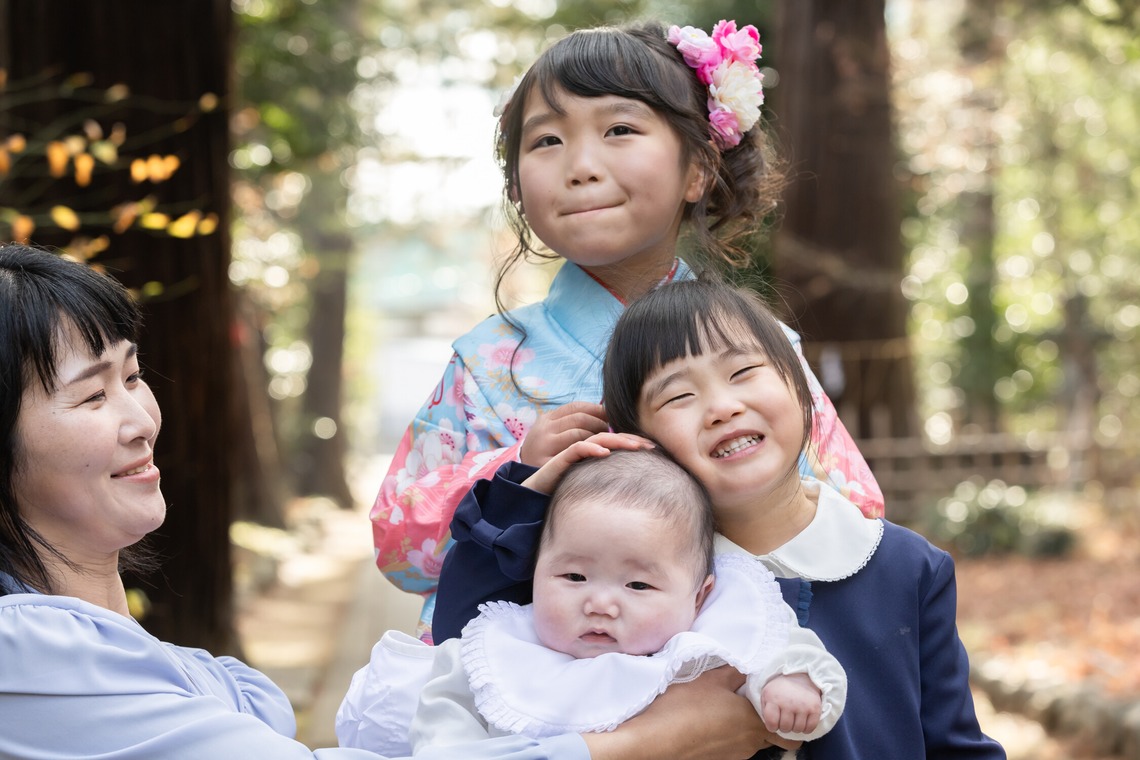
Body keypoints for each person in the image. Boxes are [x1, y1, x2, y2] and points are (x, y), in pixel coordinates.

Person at [1, 243, 632, 760]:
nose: (141, 418)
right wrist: (646, 741)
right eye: (90, 397)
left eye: (133, 377)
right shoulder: (26, 654)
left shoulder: (120, 652)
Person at [369, 18, 884, 645]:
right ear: (516, 186)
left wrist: (741, 482)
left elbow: (856, 513)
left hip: (727, 673)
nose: (581, 166)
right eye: (547, 141)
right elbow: (400, 550)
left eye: (619, 130)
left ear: (697, 167)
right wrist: (518, 470)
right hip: (523, 689)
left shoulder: (762, 349)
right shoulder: (487, 363)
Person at [432, 277, 1009, 758]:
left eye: (743, 373)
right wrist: (526, 493)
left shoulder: (908, 567)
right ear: (640, 440)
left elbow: (956, 745)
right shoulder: (628, 576)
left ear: (801, 389)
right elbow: (466, 632)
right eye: (678, 397)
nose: (722, 407)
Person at [338, 449, 845, 756]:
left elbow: (789, 651)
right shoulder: (492, 652)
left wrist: (794, 686)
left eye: (638, 586)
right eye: (574, 576)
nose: (601, 603)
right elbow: (441, 736)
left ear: (700, 595)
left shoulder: (710, 637)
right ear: (534, 574)